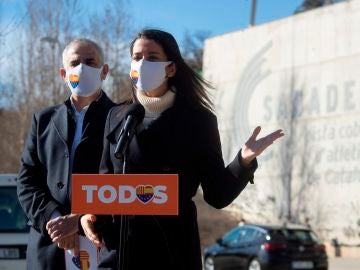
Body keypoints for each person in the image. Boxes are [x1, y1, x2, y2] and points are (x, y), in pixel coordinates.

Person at [80, 29, 284, 270]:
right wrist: (89, 215)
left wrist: (244, 160)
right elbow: (105, 182)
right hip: (120, 253)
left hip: (171, 252)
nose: (142, 63)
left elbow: (217, 194)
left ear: (171, 68)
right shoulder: (116, 116)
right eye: (136, 57)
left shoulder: (197, 121)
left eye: (152, 57)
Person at [16, 38, 115, 270]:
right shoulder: (43, 120)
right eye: (75, 63)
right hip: (48, 248)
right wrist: (55, 220)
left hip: (102, 244)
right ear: (63, 73)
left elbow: (122, 182)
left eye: (90, 62)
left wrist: (80, 220)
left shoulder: (122, 118)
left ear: (104, 71)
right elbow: (27, 181)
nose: (82, 68)